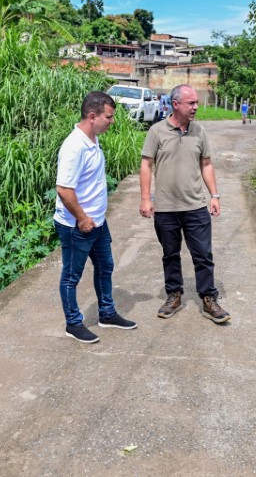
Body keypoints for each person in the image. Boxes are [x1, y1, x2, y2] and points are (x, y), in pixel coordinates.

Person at [139, 84, 230, 324]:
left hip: (196, 207)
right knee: (170, 255)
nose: (195, 107)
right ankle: (174, 295)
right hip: (166, 208)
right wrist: (146, 198)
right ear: (175, 104)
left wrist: (215, 195)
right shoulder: (157, 131)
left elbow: (207, 164)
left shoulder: (199, 132)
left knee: (203, 255)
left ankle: (209, 298)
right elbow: (146, 164)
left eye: (196, 103)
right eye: (191, 103)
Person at [54, 91, 137, 344]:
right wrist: (82, 218)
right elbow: (64, 190)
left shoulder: (92, 139)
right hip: (77, 225)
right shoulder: (74, 146)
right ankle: (73, 323)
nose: (112, 121)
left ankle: (107, 313)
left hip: (98, 222)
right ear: (93, 116)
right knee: (71, 276)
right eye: (109, 117)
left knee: (105, 266)